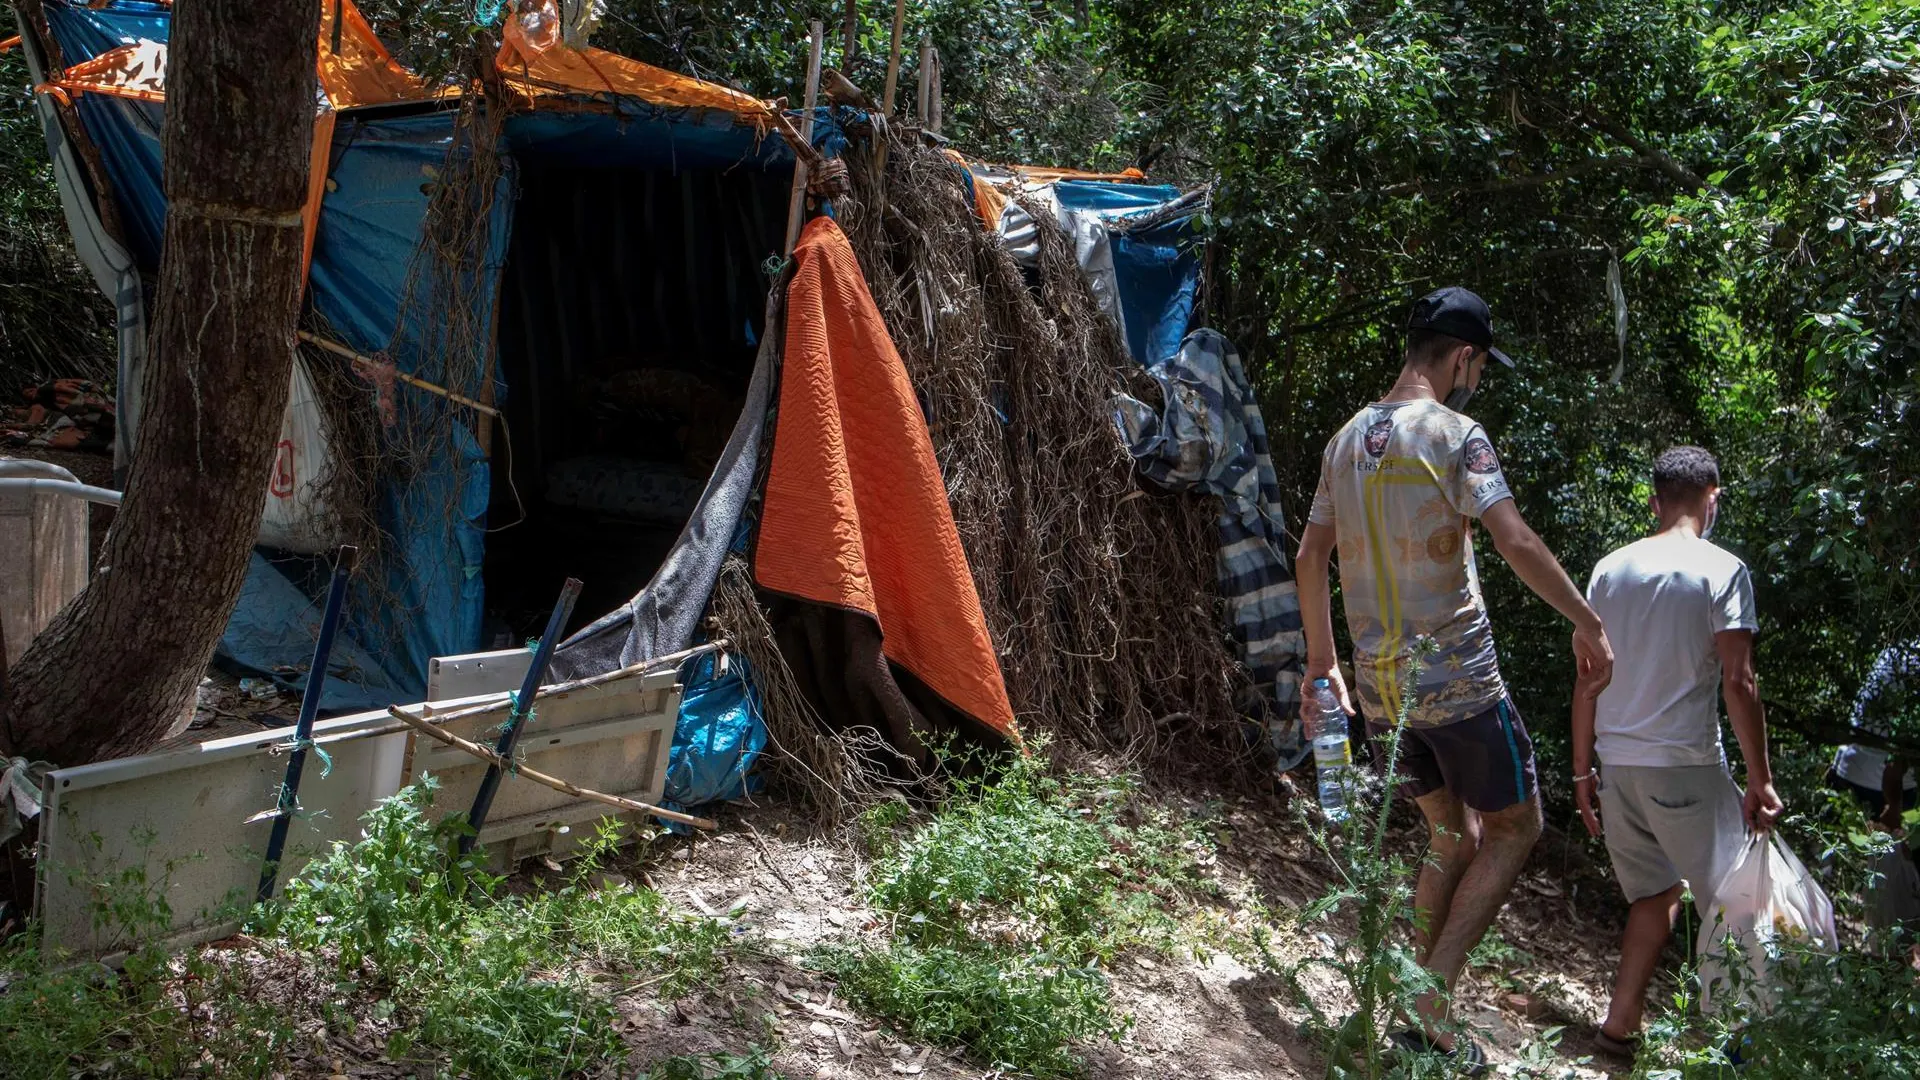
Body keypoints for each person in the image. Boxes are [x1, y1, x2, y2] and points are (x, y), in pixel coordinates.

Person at [1297, 286, 1615, 1070]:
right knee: (1517, 827)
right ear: (1463, 357)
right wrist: (1588, 620)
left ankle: (1410, 1001)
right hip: (1459, 681)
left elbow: (1309, 558)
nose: (1477, 379)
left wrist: (1322, 664)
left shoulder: (1346, 439)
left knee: (1450, 832)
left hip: (1380, 688)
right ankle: (1431, 997)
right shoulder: (1456, 433)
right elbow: (1513, 539)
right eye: (1479, 366)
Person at [1572, 446, 1784, 1061]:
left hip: (1619, 767)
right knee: (1736, 904)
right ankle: (1740, 1055)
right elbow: (1739, 682)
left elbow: (1585, 677)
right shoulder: (1722, 570)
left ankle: (1618, 1030)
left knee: (1655, 895)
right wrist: (1759, 779)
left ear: (1654, 500)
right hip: (1685, 766)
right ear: (1711, 498)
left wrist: (1583, 769)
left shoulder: (1610, 569)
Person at [1830, 640, 1918, 834]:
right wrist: (1894, 809)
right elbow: (1895, 763)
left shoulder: (1900, 646)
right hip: (1889, 789)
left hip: (1847, 768)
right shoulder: (1912, 663)